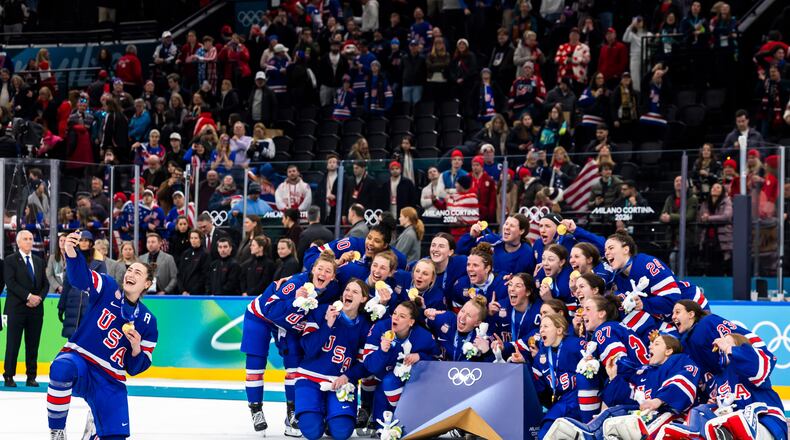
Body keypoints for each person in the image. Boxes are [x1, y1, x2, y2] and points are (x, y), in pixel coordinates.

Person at [47, 230, 157, 439]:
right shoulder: (107, 287)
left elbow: (136, 368)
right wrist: (71, 252)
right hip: (81, 362)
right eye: (129, 270)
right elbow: (81, 278)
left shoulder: (148, 321)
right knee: (61, 367)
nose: (130, 274)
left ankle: (95, 430)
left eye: (137, 273)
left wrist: (136, 349)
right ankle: (57, 431)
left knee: (115, 436)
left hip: (110, 379)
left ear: (147, 284)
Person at [295, 279, 372, 440]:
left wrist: (348, 377)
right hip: (310, 377)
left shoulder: (365, 326)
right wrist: (328, 325)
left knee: (341, 432)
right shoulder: (322, 311)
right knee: (311, 431)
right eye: (347, 289)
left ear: (363, 299)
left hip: (340, 382)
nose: (348, 294)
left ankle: (331, 414)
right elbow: (308, 349)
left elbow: (365, 363)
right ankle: (318, 411)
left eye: (355, 292)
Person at [362, 301, 439, 431]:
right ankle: (369, 409)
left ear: (411, 322)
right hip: (384, 384)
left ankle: (411, 415)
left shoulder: (424, 336)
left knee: (407, 427)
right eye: (395, 313)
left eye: (402, 316)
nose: (395, 318)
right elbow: (369, 366)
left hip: (414, 386)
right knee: (381, 429)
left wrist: (420, 357)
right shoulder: (380, 328)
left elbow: (439, 362)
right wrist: (382, 352)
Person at [3, 230, 47, 387]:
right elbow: (11, 283)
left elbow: (45, 284)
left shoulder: (39, 260)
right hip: (16, 308)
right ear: (18, 242)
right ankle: (9, 375)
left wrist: (39, 298)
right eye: (26, 239)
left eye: (31, 239)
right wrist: (29, 296)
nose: (29, 241)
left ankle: (31, 376)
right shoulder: (10, 260)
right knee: (13, 343)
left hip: (36, 309)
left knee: (33, 343)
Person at [57, 231, 108, 339]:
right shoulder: (72, 259)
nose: (83, 243)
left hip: (91, 304)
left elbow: (103, 286)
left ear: (91, 243)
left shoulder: (99, 262)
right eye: (81, 240)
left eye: (86, 240)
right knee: (72, 340)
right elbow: (67, 284)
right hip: (73, 304)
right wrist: (61, 306)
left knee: (89, 340)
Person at [177, 230, 208, 295]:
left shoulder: (205, 254)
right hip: (184, 293)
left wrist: (192, 292)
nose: (193, 240)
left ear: (200, 239)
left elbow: (204, 275)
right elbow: (180, 273)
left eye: (195, 238)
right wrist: (182, 290)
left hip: (198, 293)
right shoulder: (185, 253)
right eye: (191, 238)